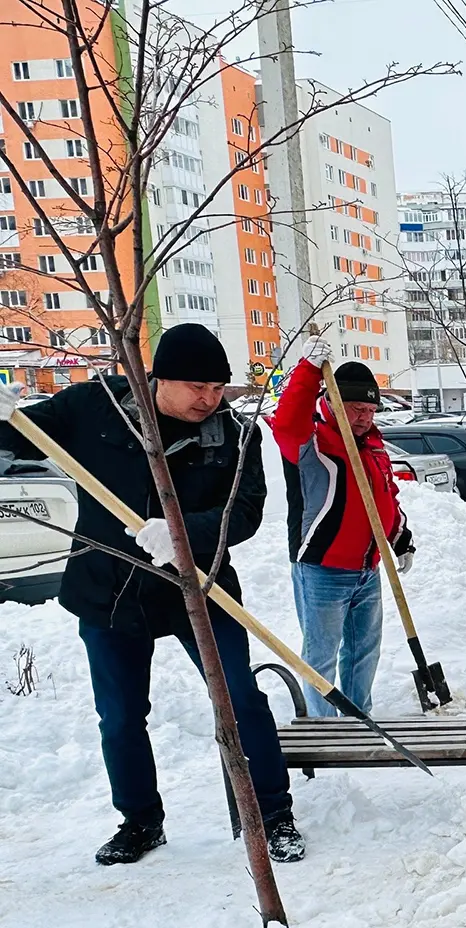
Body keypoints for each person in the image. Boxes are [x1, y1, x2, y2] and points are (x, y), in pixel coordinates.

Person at [0, 324, 303, 865]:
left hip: (201, 587)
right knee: (120, 716)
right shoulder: (96, 408)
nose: (209, 400)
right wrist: (5, 415)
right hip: (108, 589)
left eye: (218, 388)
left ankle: (273, 814)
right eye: (196, 386)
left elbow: (246, 512)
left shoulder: (233, 433)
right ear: (159, 377)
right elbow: (22, 438)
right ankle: (140, 821)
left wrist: (182, 530)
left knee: (239, 699)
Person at [271, 339, 413, 718]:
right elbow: (285, 423)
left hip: (367, 569)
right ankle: (327, 728)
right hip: (323, 569)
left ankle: (359, 717)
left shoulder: (373, 444)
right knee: (321, 655)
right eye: (355, 408)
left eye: (370, 409)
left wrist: (399, 538)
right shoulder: (312, 442)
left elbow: (384, 496)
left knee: (364, 651)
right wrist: (307, 371)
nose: (365, 417)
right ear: (333, 401)